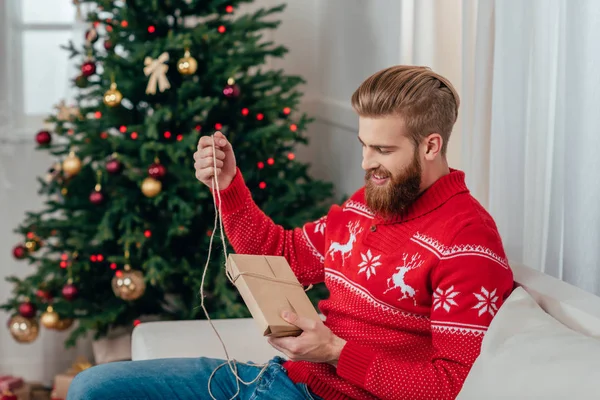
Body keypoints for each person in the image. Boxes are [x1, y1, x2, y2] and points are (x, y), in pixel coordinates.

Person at [67, 65, 514, 400]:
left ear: (431, 145)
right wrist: (229, 187)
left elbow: (453, 385)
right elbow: (280, 254)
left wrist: (336, 352)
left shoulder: (468, 242)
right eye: (364, 145)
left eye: (383, 150)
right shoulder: (368, 203)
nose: (366, 163)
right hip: (282, 379)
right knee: (93, 388)